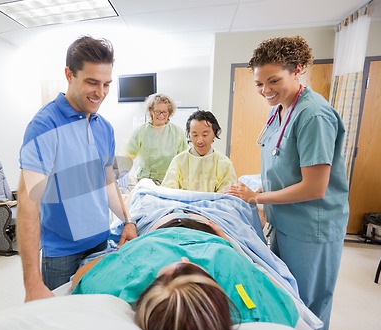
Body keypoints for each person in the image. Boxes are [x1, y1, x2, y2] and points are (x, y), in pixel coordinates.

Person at [225, 36, 349, 330]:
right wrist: (256, 192)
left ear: (298, 70)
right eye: (259, 83)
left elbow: (315, 187)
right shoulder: (279, 108)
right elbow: (281, 164)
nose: (265, 90)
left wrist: (258, 197)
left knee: (309, 306)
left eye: (273, 80)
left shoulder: (313, 115)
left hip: (312, 226)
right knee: (285, 294)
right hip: (284, 220)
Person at [17, 35, 137, 302]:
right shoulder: (44, 126)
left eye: (106, 84)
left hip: (100, 242)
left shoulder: (103, 127)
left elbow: (108, 182)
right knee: (60, 323)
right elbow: (28, 204)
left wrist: (127, 221)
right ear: (69, 74)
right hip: (61, 252)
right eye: (92, 82)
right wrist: (31, 283)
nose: (101, 93)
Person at [71, 224, 299, 330]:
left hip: (158, 225)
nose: (183, 257)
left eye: (169, 273)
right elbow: (282, 296)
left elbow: (81, 277)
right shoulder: (230, 265)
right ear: (217, 294)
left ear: (152, 288)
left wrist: (122, 253)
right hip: (209, 227)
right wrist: (231, 246)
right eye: (188, 267)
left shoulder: (123, 281)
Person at [161, 110, 237, 192]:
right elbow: (168, 192)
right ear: (189, 134)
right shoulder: (178, 161)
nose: (199, 140)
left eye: (205, 135)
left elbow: (228, 197)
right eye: (195, 135)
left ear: (214, 133)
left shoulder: (224, 163)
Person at [121, 93, 188, 184]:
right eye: (157, 111)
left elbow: (184, 159)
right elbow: (127, 155)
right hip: (145, 180)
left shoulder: (177, 132)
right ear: (151, 111)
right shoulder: (141, 131)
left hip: (170, 181)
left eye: (164, 112)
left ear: (169, 113)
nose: (161, 115)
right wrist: (123, 171)